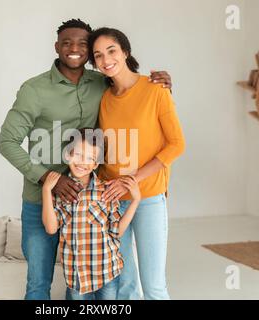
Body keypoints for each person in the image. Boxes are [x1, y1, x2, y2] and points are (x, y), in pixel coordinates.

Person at [0, 18, 172, 300]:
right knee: (38, 283)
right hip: (41, 199)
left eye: (83, 44)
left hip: (91, 199)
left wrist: (162, 85)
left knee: (93, 280)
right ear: (56, 47)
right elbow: (6, 142)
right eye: (66, 42)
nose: (74, 49)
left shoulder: (101, 82)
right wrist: (47, 180)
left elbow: (132, 92)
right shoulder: (34, 89)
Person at [88, 27, 186, 300]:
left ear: (125, 52)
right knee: (125, 285)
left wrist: (131, 182)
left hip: (148, 197)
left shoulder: (155, 89)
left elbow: (176, 144)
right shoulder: (104, 99)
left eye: (111, 51)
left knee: (153, 285)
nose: (106, 60)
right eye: (98, 55)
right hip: (111, 199)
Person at [42, 128, 140, 300]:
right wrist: (46, 189)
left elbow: (116, 231)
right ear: (67, 155)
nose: (83, 162)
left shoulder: (105, 191)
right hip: (76, 276)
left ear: (96, 164)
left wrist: (135, 200)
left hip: (107, 273)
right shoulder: (61, 193)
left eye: (90, 158)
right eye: (78, 155)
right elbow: (51, 229)